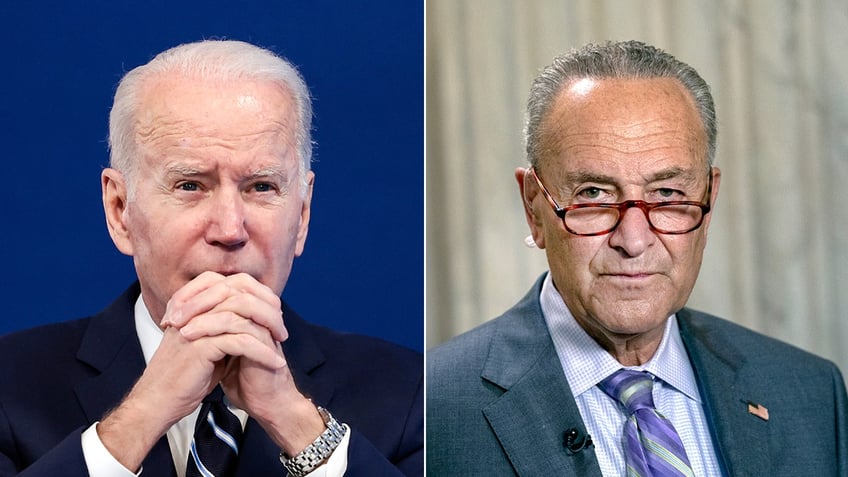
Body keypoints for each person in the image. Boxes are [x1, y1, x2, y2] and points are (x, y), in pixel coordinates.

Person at [0, 40, 422, 477]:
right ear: (120, 211)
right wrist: (139, 419)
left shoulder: (412, 391)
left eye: (261, 187)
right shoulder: (10, 383)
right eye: (189, 185)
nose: (229, 230)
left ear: (301, 215)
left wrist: (299, 426)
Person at [426, 40, 847, 476]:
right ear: (534, 207)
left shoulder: (810, 395)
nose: (633, 239)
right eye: (593, 195)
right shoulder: (433, 406)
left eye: (666, 194)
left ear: (708, 200)